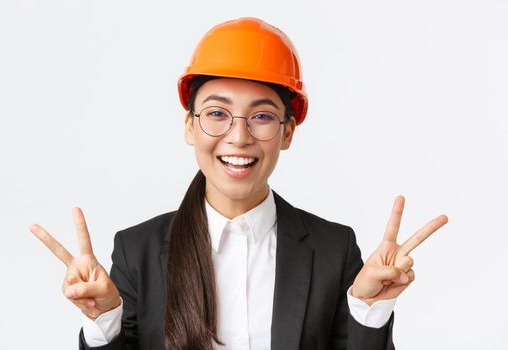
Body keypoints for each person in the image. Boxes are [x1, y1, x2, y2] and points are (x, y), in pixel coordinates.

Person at [30, 17, 448, 350]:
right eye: (216, 113)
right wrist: (106, 324)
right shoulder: (137, 251)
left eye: (262, 116)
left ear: (287, 133)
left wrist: (369, 312)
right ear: (189, 126)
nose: (238, 136)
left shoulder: (334, 250)